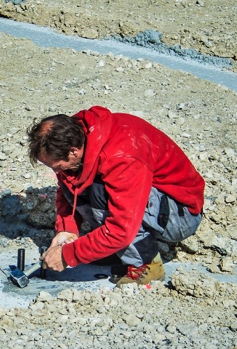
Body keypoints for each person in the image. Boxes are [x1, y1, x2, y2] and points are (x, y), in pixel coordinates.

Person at [27, 106, 205, 284]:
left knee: (99, 191)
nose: (56, 171)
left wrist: (69, 255)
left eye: (57, 166)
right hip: (153, 204)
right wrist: (67, 228)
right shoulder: (76, 138)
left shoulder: (121, 156)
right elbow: (69, 186)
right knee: (79, 180)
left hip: (180, 215)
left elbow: (121, 229)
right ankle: (115, 250)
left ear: (74, 151)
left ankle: (146, 263)